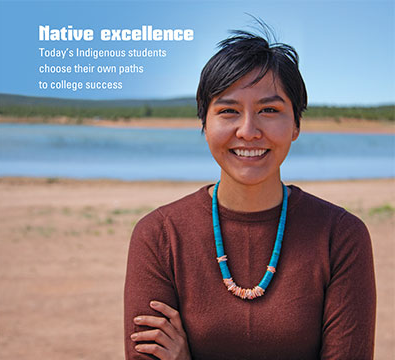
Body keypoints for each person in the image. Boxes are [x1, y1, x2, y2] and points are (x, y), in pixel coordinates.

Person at [124, 23, 376, 360]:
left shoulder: (341, 236)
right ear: (204, 123)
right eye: (228, 111)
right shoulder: (159, 236)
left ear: (296, 125)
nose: (248, 131)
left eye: (269, 111)